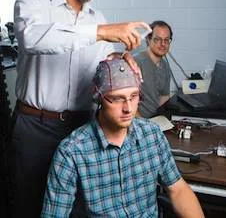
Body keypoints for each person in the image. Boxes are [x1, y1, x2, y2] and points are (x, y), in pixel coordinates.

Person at [9, 0, 151, 218]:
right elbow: (33, 38)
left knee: (78, 209)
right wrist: (101, 32)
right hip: (35, 127)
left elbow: (103, 66)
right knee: (29, 204)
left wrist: (121, 59)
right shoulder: (31, 3)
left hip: (83, 129)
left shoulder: (98, 21)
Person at [41, 58, 205, 218]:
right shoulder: (71, 152)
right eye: (117, 98)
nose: (128, 108)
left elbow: (178, 190)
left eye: (134, 96)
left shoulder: (152, 135)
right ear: (99, 98)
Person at [134, 20, 173, 117]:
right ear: (148, 39)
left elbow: (164, 97)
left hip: (154, 120)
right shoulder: (136, 62)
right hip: (137, 122)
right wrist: (143, 125)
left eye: (166, 40)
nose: (163, 44)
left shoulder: (165, 65)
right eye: (158, 39)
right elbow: (125, 102)